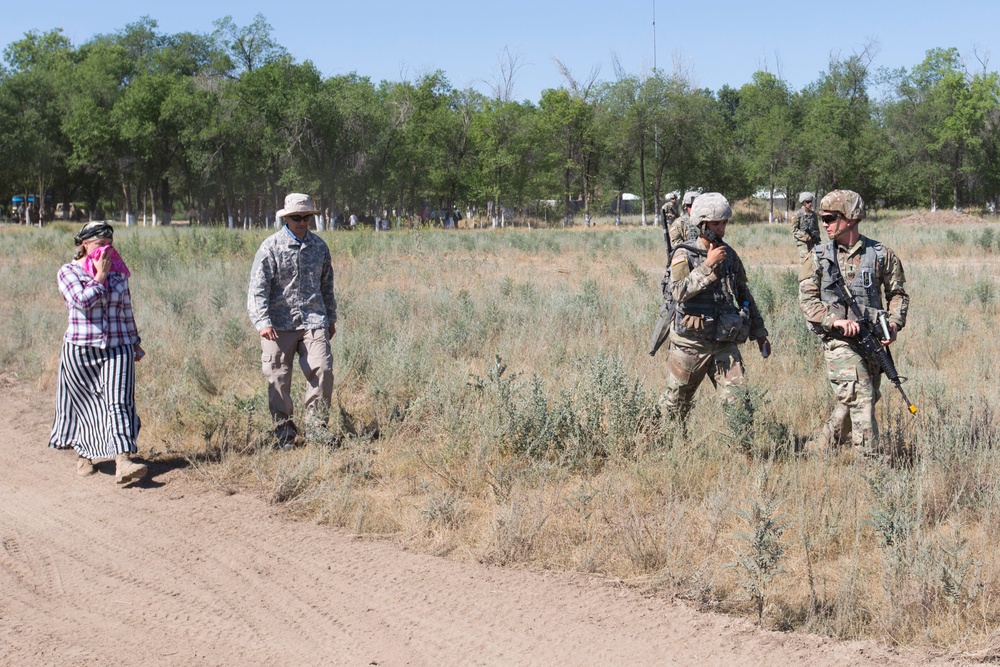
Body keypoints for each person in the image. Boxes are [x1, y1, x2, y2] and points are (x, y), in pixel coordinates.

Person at [799, 190, 909, 458]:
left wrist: (893, 324)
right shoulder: (818, 256)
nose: (823, 223)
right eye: (822, 218)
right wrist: (835, 322)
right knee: (862, 397)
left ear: (850, 218)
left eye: (829, 218)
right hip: (838, 341)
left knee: (860, 398)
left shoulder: (881, 254)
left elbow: (898, 294)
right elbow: (807, 301)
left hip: (871, 340)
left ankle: (821, 446)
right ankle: (871, 464)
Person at [49, 221, 148, 485]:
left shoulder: (119, 274)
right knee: (87, 405)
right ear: (84, 245)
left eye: (109, 245)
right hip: (80, 349)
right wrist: (99, 277)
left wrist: (135, 341)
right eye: (99, 245)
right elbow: (81, 301)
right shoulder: (68, 272)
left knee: (119, 401)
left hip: (118, 347)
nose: (105, 251)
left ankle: (123, 460)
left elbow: (126, 309)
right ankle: (84, 454)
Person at [662, 193, 770, 423]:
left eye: (724, 223)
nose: (721, 228)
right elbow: (678, 292)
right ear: (701, 224)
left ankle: (747, 454)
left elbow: (743, 293)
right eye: (715, 223)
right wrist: (707, 265)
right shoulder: (684, 254)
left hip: (723, 343)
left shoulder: (729, 255)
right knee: (674, 407)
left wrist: (759, 333)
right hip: (690, 344)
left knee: (740, 405)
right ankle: (661, 448)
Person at [247, 193, 337, 449]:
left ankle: (317, 428)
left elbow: (327, 285)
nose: (302, 222)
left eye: (307, 217)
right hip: (277, 324)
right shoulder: (270, 247)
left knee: (323, 370)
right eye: (297, 217)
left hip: (314, 320)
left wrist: (330, 318)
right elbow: (258, 288)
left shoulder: (319, 247)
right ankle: (283, 432)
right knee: (278, 377)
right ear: (286, 218)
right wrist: (263, 321)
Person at [792, 192, 820, 260]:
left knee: (817, 260)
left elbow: (816, 228)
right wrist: (806, 237)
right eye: (808, 202)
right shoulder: (798, 214)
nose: (810, 203)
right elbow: (794, 230)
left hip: (813, 242)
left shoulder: (813, 214)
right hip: (803, 242)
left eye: (811, 201)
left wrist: (817, 237)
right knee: (806, 261)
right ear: (803, 202)